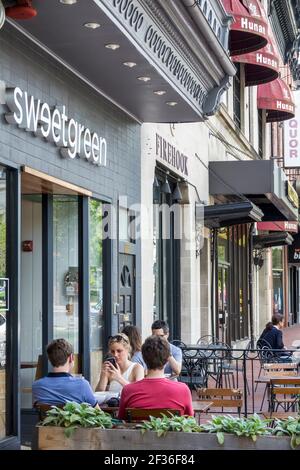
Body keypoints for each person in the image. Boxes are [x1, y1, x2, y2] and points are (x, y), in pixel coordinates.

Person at [118, 335, 193, 419]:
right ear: (167, 359)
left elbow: (122, 420)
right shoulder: (183, 390)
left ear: (143, 358)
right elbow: (190, 421)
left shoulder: (128, 390)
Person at [32, 338, 97, 407]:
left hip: (46, 418)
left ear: (50, 359)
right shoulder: (82, 385)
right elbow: (99, 414)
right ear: (71, 358)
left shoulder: (37, 386)